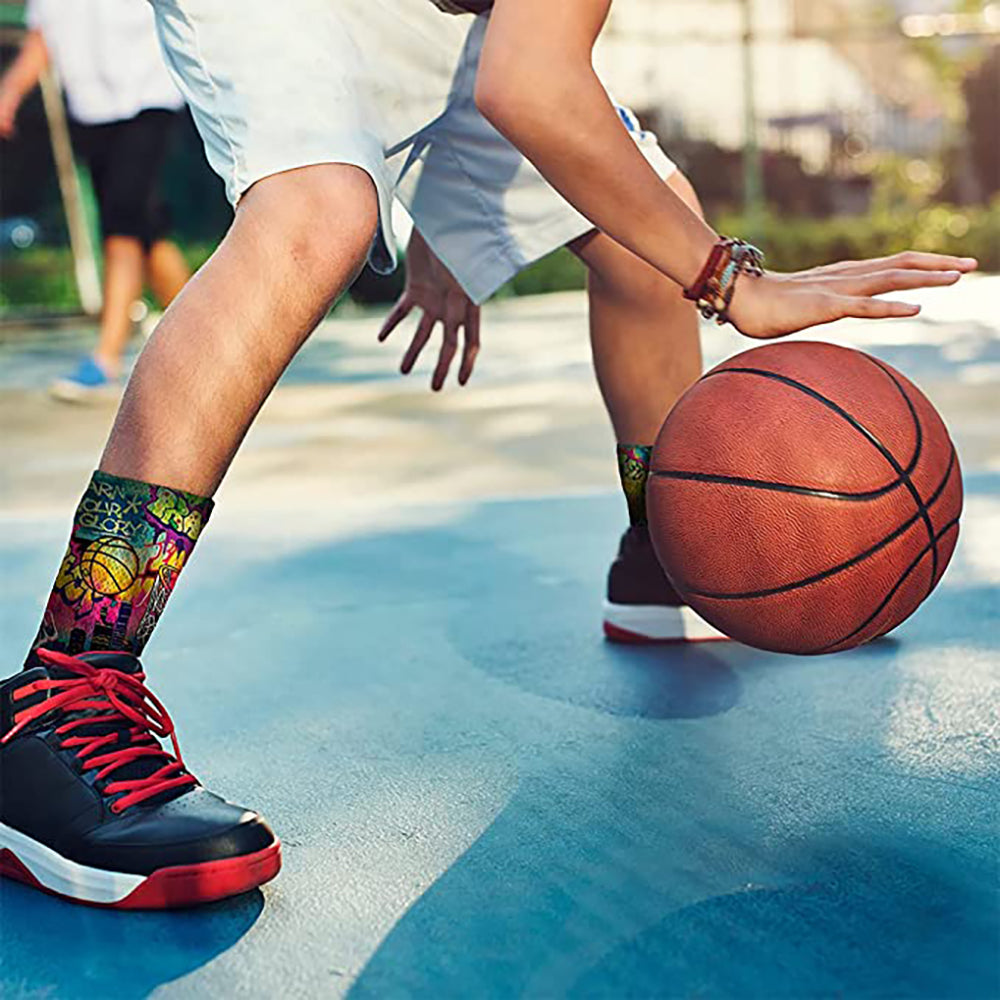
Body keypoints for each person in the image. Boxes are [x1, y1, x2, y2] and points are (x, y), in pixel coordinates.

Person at [0, 0, 976, 910]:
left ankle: (673, 539)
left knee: (646, 231)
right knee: (318, 212)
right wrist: (727, 277)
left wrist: (458, 211)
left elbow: (528, 67)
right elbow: (533, 86)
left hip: (439, 21)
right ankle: (66, 686)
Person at [0, 0, 192, 402]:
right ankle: (207, 341)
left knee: (121, 222)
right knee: (147, 230)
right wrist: (10, 91)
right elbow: (42, 38)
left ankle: (105, 358)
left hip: (151, 96)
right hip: (91, 109)